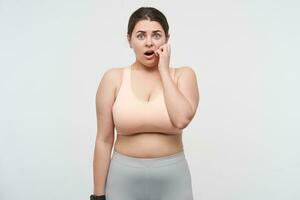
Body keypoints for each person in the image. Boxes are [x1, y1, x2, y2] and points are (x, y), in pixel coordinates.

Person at [90, 6, 199, 200]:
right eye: (141, 36)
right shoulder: (113, 78)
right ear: (129, 40)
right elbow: (104, 140)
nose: (149, 43)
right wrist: (97, 196)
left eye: (156, 35)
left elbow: (181, 119)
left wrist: (164, 70)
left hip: (173, 180)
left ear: (167, 38)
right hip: (122, 180)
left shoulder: (183, 75)